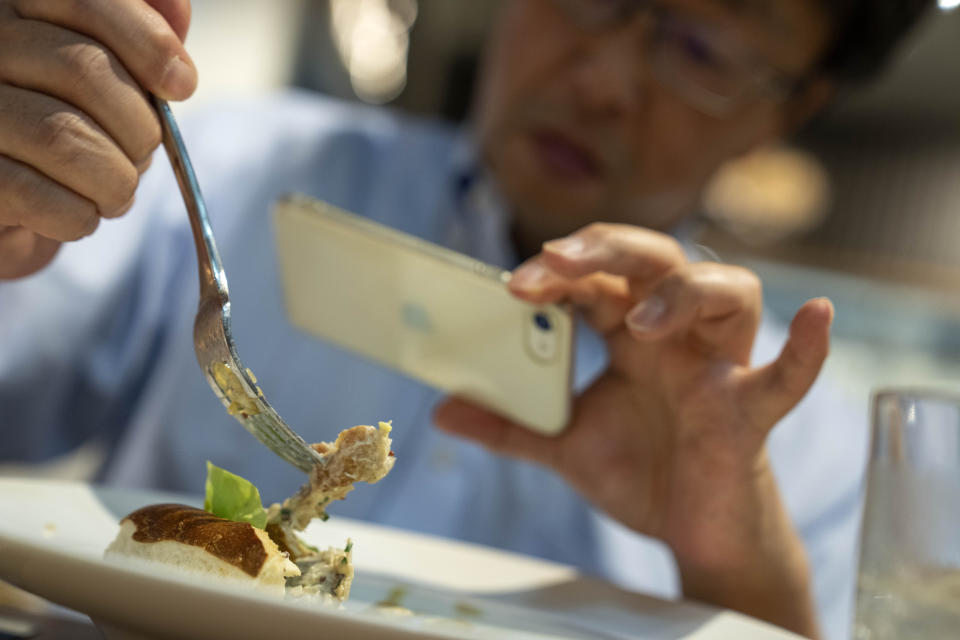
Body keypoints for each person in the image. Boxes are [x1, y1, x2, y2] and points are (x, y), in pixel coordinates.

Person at [0, 0, 932, 637]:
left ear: (792, 108)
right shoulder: (231, 172)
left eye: (706, 51)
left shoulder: (801, 437)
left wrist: (727, 561)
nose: (604, 78)